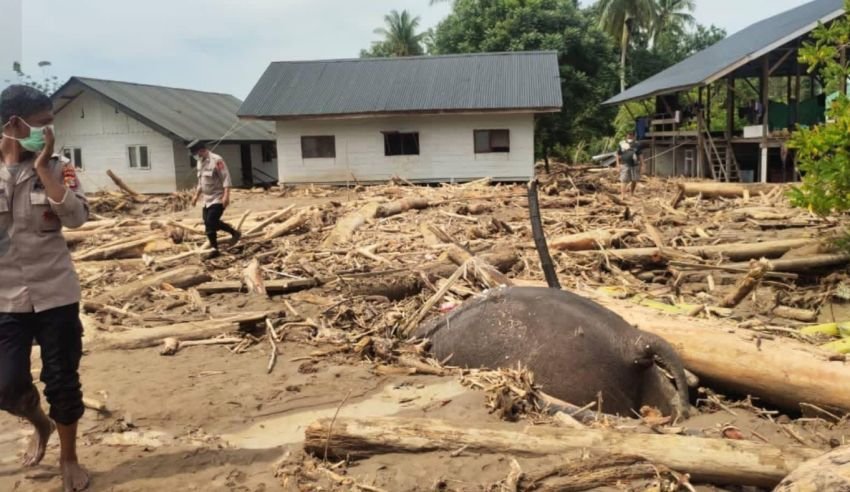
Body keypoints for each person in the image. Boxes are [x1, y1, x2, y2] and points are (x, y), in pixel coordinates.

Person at [0, 85, 90, 491]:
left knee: (62, 381)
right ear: (12, 124)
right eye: (40, 124)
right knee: (6, 384)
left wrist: (41, 169)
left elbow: (76, 218)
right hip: (6, 298)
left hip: (56, 294)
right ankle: (40, 423)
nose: (49, 130)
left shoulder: (59, 165)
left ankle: (68, 457)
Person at [190, 141, 240, 259]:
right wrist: (196, 196)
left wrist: (226, 195)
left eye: (196, 153)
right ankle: (214, 249)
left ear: (202, 150)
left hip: (218, 197)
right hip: (206, 199)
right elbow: (200, 181)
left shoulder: (217, 160)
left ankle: (234, 233)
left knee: (211, 221)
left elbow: (226, 177)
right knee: (208, 224)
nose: (196, 156)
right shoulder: (199, 162)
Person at [616, 131, 644, 200]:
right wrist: (617, 164)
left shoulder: (637, 144)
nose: (630, 136)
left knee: (634, 179)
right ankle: (622, 195)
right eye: (629, 135)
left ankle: (632, 193)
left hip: (634, 164)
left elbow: (640, 155)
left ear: (634, 137)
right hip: (624, 164)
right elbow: (617, 154)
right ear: (626, 136)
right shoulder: (622, 143)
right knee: (623, 180)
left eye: (631, 135)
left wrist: (642, 164)